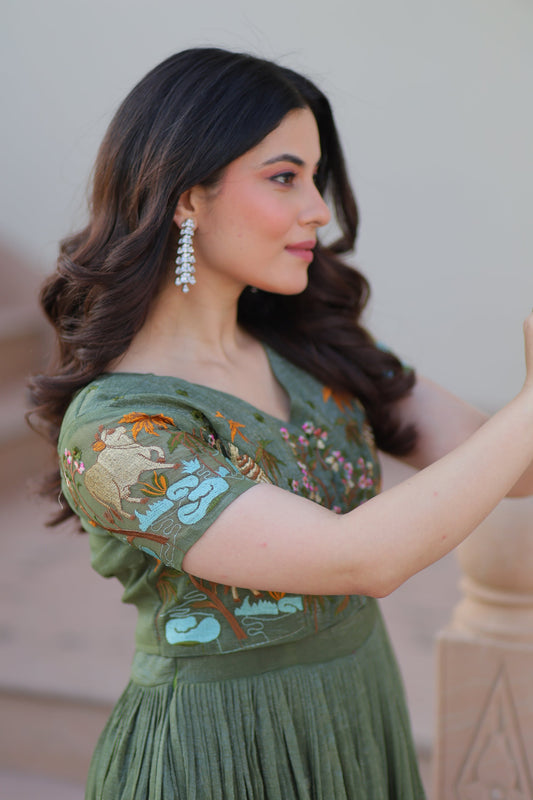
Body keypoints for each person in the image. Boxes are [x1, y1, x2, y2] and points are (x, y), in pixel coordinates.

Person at [29, 47, 533, 800]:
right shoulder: (117, 432)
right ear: (186, 198)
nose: (319, 210)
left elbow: (515, 471)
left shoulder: (315, 350)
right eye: (283, 177)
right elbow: (360, 561)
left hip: (356, 714)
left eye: (315, 178)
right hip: (218, 753)